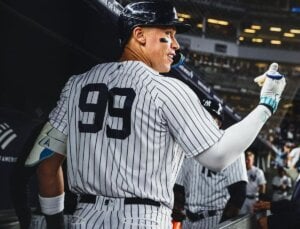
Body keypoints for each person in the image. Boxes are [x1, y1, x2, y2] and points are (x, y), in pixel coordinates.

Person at [24, 1, 286, 228]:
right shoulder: (167, 88)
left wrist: (54, 222)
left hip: (85, 219)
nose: (175, 45)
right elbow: (218, 156)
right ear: (139, 35)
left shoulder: (76, 85)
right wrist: (267, 104)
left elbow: (46, 165)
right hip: (144, 220)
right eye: (168, 34)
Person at [174, 98, 248, 229]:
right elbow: (179, 188)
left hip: (214, 220)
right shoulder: (188, 144)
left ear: (219, 123)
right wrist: (177, 208)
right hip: (187, 221)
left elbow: (238, 194)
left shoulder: (229, 144)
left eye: (210, 117)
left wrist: (224, 225)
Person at [239, 151, 267, 215]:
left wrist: (261, 200)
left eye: (248, 160)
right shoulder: (240, 171)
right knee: (240, 218)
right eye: (245, 159)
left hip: (254, 199)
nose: (246, 161)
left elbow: (262, 186)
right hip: (243, 199)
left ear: (253, 160)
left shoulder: (258, 171)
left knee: (253, 219)